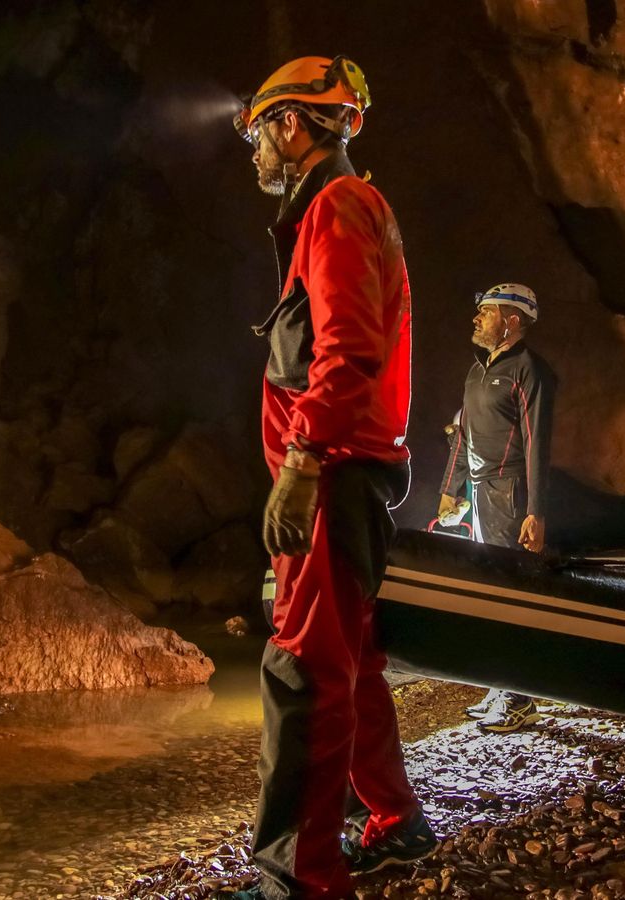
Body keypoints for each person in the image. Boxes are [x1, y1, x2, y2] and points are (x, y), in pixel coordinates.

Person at [231, 55, 434, 900]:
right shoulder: (348, 208)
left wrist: (303, 464)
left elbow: (348, 350)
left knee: (304, 673)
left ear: (294, 124)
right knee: (350, 661)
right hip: (347, 472)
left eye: (259, 133)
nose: (255, 154)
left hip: (336, 472)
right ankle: (396, 821)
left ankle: (301, 877)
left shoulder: (339, 206)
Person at [436, 283, 555, 733]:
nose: (476, 318)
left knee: (509, 591)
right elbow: (462, 435)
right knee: (489, 590)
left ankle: (521, 696)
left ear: (512, 320)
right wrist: (452, 490)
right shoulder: (476, 373)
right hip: (481, 492)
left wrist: (536, 510)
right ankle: (499, 684)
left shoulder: (529, 371)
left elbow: (537, 444)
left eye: (485, 311)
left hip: (510, 490)